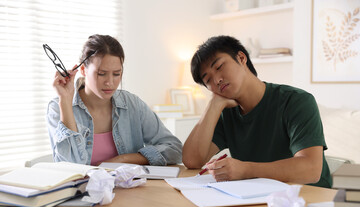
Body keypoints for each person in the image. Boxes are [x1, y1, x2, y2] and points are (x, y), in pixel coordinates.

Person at [182, 35, 331, 188]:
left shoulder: (296, 101)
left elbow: (311, 170)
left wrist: (244, 169)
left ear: (241, 57)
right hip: (257, 196)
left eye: (219, 67)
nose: (217, 80)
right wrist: (213, 104)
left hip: (308, 198)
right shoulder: (226, 112)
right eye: (208, 80)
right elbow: (192, 161)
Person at [47, 34, 182, 167]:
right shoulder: (58, 107)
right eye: (101, 74)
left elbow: (174, 149)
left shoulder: (132, 104)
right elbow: (69, 167)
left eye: (117, 74)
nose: (110, 82)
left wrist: (124, 159)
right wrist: (65, 99)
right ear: (83, 70)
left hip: (129, 188)